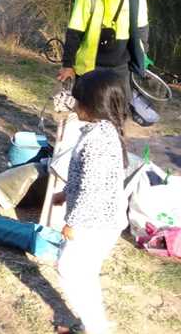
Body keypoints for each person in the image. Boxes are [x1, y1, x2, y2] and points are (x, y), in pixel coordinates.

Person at [51, 69, 128, 334]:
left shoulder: (99, 140)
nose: (75, 107)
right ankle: (94, 326)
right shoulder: (102, 130)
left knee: (69, 269)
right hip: (102, 220)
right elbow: (86, 177)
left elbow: (92, 189)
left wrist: (72, 223)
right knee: (84, 273)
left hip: (95, 224)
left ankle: (96, 328)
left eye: (79, 102)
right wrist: (65, 194)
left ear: (94, 106)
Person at [57, 0, 149, 101]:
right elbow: (74, 33)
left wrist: (143, 58)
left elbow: (142, 31)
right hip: (90, 68)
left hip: (121, 69)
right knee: (87, 112)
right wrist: (68, 65)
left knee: (118, 113)